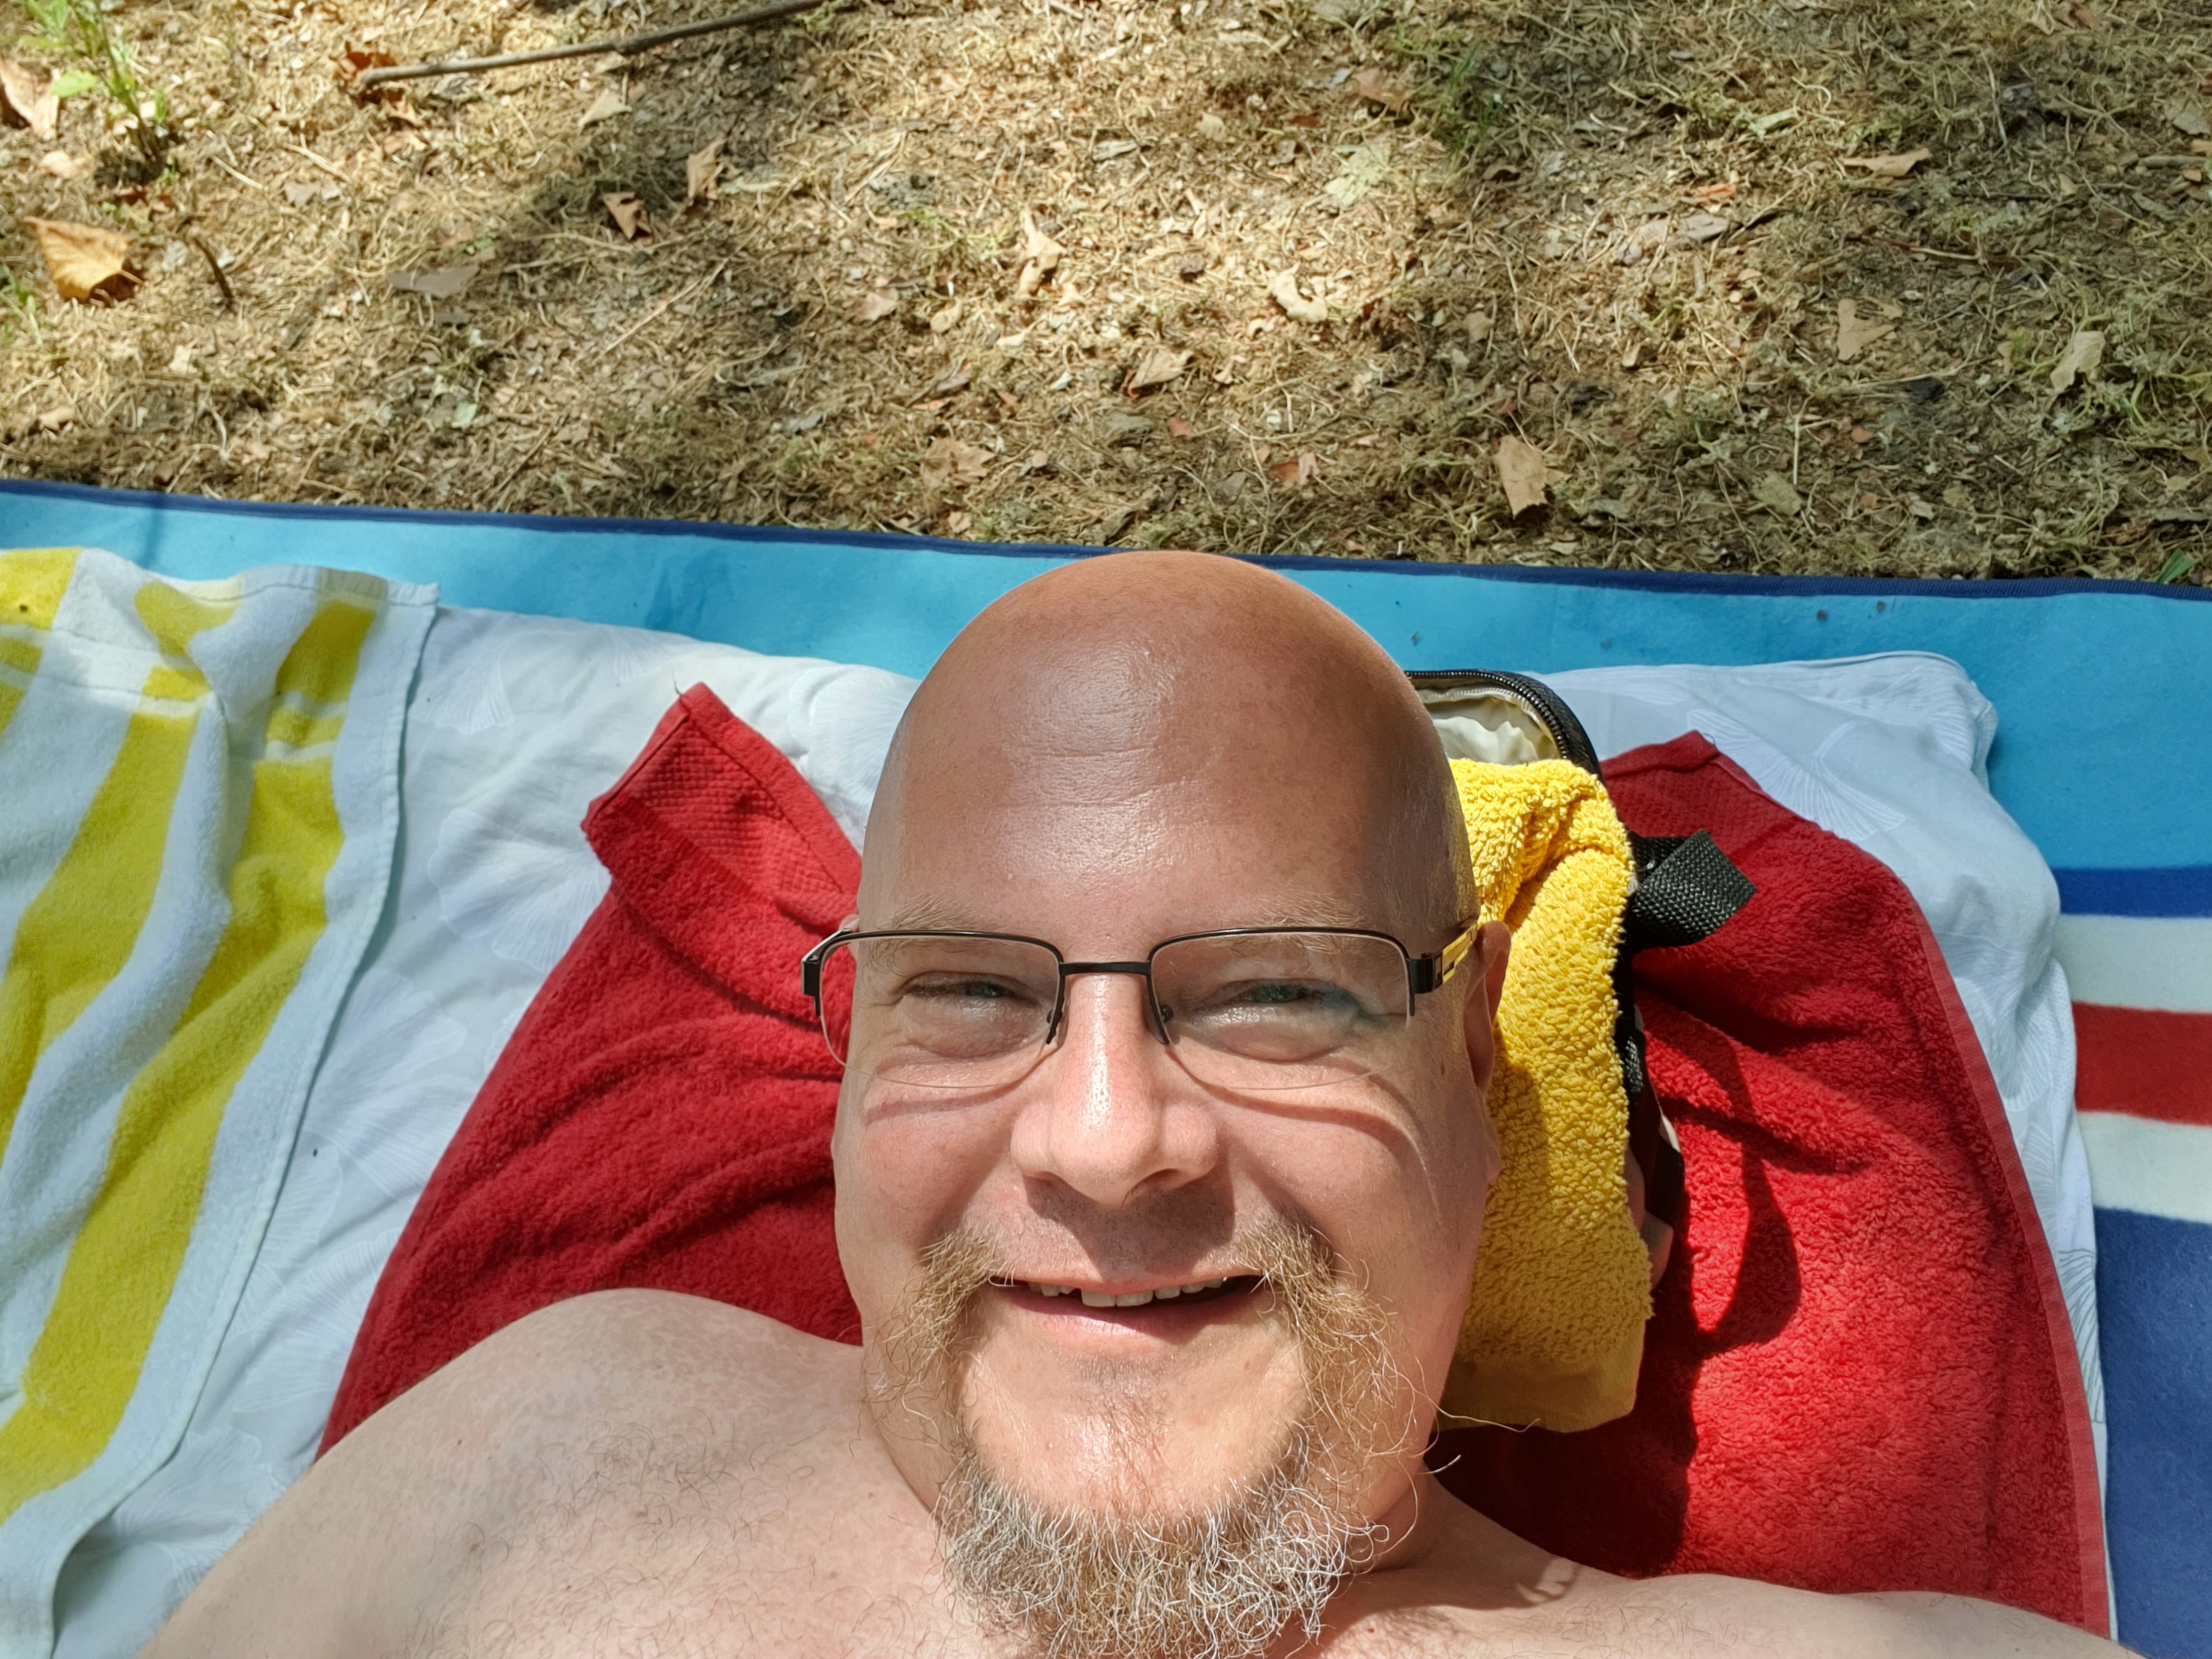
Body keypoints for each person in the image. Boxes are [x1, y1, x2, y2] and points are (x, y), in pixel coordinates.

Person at [145, 551, 2126, 1658]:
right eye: (971, 993)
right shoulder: (546, 1440)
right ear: (851, 1065)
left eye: (1275, 994)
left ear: (1473, 1058)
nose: (1102, 1141)